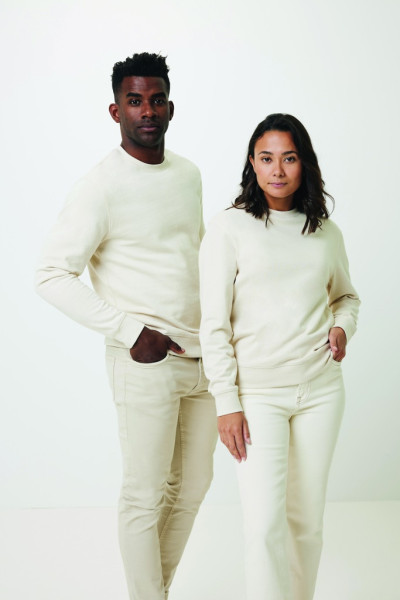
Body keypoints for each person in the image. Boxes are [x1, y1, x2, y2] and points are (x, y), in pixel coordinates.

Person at [35, 52, 217, 600]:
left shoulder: (188, 175)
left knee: (192, 490)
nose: (148, 111)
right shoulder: (100, 186)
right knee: (145, 495)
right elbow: (50, 275)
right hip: (145, 363)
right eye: (135, 101)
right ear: (116, 111)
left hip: (204, 358)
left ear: (171, 108)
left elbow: (194, 258)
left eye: (157, 100)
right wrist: (131, 332)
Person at [199, 113, 360, 600]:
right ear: (252, 163)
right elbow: (213, 323)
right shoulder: (229, 227)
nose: (277, 170)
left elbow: (346, 298)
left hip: (321, 391)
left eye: (289, 158)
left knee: (306, 524)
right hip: (257, 397)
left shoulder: (325, 232)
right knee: (263, 526)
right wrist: (226, 402)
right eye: (266, 158)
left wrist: (341, 327)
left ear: (303, 163)